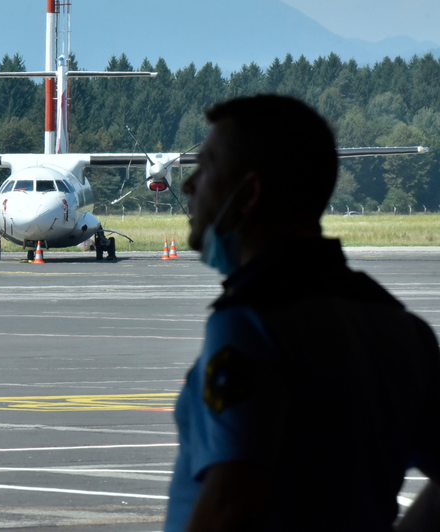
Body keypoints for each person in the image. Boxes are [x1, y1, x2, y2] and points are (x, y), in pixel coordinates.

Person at [165, 94, 440, 532]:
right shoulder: (404, 329)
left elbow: (231, 502)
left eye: (207, 167)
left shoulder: (251, 323)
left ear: (249, 193)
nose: (188, 185)